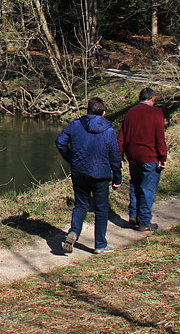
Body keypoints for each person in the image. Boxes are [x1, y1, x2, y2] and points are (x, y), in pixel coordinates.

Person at [55, 97, 122, 254]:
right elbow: (115, 156)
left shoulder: (76, 124)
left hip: (79, 173)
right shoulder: (109, 130)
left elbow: (60, 142)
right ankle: (100, 244)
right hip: (101, 175)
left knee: (81, 205)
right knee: (101, 209)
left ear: (87, 111)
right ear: (104, 113)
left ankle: (73, 232)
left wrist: (70, 158)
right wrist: (117, 178)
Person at [118, 87, 168, 232]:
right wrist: (163, 157)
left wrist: (120, 157)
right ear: (153, 99)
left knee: (135, 185)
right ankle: (144, 221)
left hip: (133, 156)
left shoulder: (130, 113)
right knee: (147, 188)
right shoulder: (156, 113)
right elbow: (160, 138)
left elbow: (121, 138)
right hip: (150, 157)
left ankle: (133, 215)